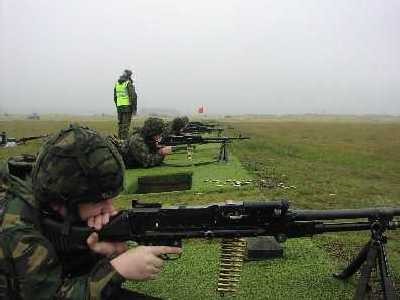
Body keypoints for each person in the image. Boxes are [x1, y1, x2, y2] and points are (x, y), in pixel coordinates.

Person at [0, 124, 181, 299]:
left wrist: (100, 253)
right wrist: (117, 270)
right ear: (66, 201)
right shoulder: (16, 227)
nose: (110, 208)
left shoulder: (49, 189)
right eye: (97, 201)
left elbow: (62, 268)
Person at [114, 69, 137, 140]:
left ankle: (119, 141)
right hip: (127, 107)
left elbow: (115, 97)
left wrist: (118, 105)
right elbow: (133, 97)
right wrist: (134, 109)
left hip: (119, 107)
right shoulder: (128, 83)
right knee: (125, 126)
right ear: (129, 75)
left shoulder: (117, 84)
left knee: (120, 125)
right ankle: (123, 143)